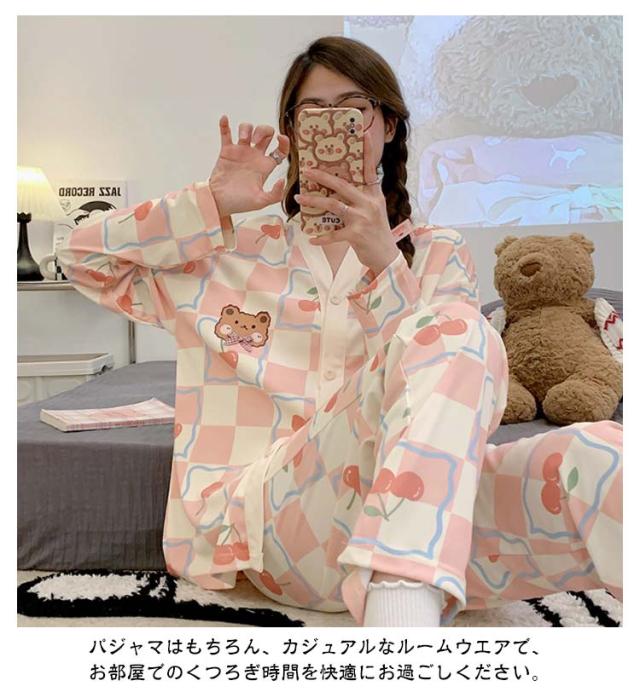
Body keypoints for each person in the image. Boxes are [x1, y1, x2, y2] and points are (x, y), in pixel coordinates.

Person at [56, 35, 622, 627]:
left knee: (604, 455)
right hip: (270, 530)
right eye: (313, 113)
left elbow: (454, 393)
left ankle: (402, 590)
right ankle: (401, 622)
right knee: (456, 326)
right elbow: (80, 257)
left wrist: (384, 263)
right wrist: (212, 203)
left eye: (352, 110)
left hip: (416, 514)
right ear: (292, 132)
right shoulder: (225, 253)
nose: (332, 127)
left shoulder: (436, 252)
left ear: (387, 126)